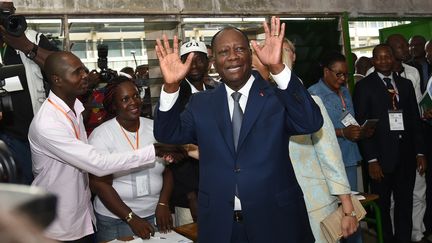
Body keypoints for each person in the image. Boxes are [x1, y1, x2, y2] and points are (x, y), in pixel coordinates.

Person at [154, 16, 323, 243]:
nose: (232, 56)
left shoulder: (276, 97)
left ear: (251, 55)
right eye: (224, 52)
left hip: (276, 220)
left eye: (239, 49)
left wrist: (277, 68)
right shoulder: (201, 103)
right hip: (221, 225)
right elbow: (167, 134)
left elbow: (310, 123)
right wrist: (171, 86)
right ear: (214, 61)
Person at [29, 51, 187, 243]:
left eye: (84, 70)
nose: (85, 75)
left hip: (81, 216)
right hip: (56, 221)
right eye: (77, 72)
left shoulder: (74, 111)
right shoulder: (48, 122)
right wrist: (154, 151)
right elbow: (97, 164)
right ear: (57, 80)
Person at [251, 41, 358, 242]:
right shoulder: (255, 109)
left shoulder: (311, 102)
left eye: (285, 51)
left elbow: (330, 155)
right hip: (272, 205)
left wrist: (347, 207)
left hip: (313, 204)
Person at [353, 44, 426, 243]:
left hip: (406, 157)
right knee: (383, 206)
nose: (384, 61)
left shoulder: (405, 84)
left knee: (405, 204)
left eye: (388, 57)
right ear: (373, 60)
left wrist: (420, 152)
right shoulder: (363, 87)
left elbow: (414, 120)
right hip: (380, 160)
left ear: (393, 58)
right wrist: (372, 159)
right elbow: (363, 125)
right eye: (379, 57)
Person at [88, 76, 174, 242]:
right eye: (125, 99)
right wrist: (131, 217)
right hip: (116, 220)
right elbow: (98, 184)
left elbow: (168, 170)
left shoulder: (155, 128)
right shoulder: (101, 135)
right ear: (114, 105)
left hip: (154, 213)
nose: (134, 102)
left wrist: (163, 204)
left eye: (136, 95)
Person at [0, 0, 58, 184]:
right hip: (4, 136)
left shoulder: (31, 37)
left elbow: (65, 67)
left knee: (41, 188)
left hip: (34, 134)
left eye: (9, 12)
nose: (5, 17)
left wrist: (26, 46)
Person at [169, 40, 216, 227]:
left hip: (220, 187)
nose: (194, 65)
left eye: (199, 59)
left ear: (208, 62)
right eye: (188, 60)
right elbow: (174, 148)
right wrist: (190, 195)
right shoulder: (174, 97)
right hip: (191, 195)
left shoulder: (217, 92)